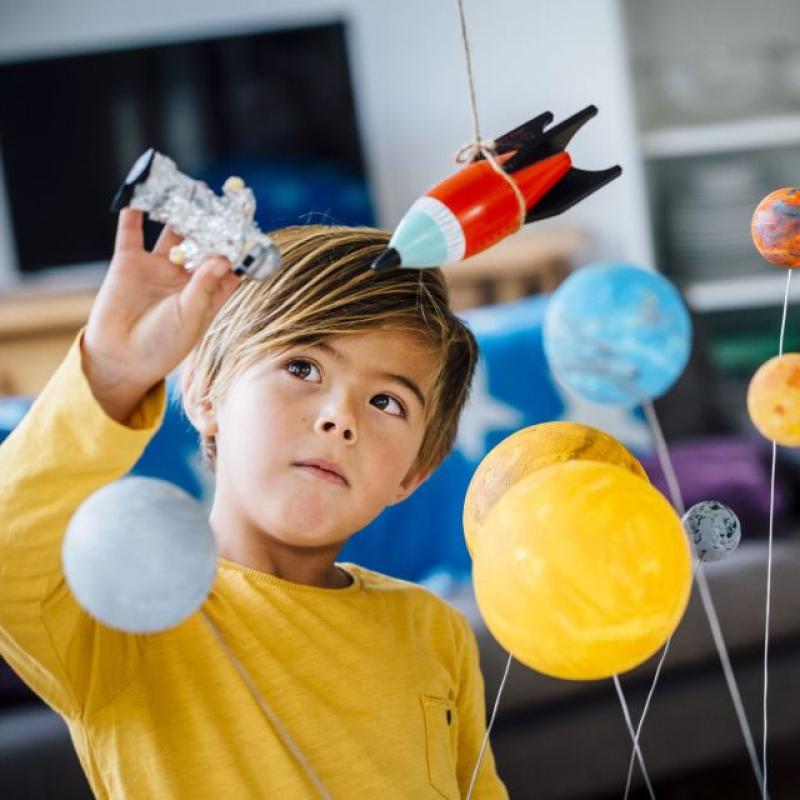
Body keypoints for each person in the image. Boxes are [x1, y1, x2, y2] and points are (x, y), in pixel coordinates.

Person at [0, 209, 509, 798]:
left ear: (413, 475)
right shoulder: (128, 616)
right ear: (203, 392)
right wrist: (112, 376)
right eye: (302, 366)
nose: (339, 418)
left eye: (387, 402)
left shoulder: (435, 630)